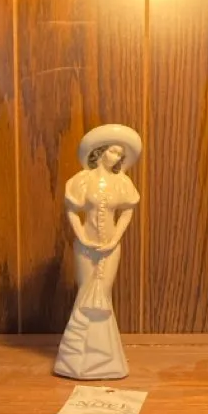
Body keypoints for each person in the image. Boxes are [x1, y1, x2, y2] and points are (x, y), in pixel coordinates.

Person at [54, 124, 141, 381]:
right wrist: (81, 236)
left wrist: (114, 239)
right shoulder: (83, 180)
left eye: (120, 155)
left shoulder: (122, 182)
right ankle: (75, 360)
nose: (116, 157)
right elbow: (72, 210)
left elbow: (127, 211)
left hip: (110, 249)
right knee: (85, 293)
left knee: (102, 295)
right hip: (86, 248)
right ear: (100, 152)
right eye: (113, 151)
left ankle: (106, 358)